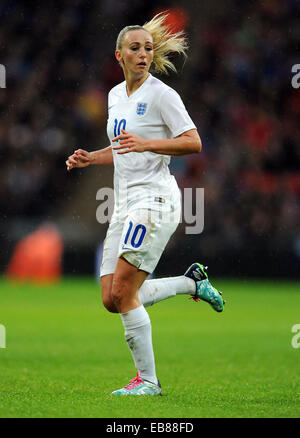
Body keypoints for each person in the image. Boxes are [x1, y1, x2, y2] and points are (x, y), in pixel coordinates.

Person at [66, 12, 225, 396]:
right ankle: (192, 282)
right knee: (111, 299)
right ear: (118, 55)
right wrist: (95, 156)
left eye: (148, 49)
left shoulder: (163, 95)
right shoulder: (114, 96)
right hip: (123, 203)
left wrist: (149, 142)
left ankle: (148, 382)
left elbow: (193, 142)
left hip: (154, 200)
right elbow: (125, 148)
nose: (142, 54)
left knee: (124, 292)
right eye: (134, 48)